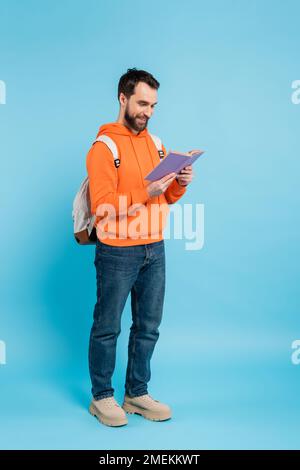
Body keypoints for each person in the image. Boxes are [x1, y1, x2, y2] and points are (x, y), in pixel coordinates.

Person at [86, 68, 195, 427]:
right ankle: (102, 397)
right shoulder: (104, 147)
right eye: (142, 103)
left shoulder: (157, 144)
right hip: (117, 251)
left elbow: (165, 198)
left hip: (154, 248)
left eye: (153, 105)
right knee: (107, 326)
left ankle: (136, 393)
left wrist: (179, 183)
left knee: (148, 326)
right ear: (123, 99)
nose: (148, 111)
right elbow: (102, 203)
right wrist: (143, 194)